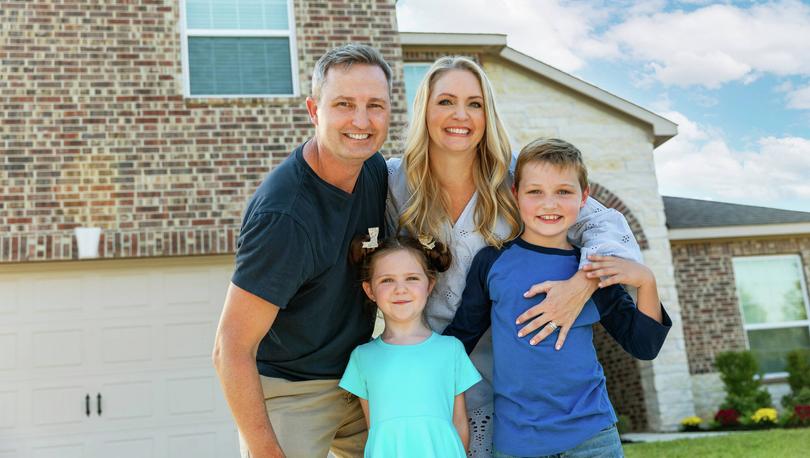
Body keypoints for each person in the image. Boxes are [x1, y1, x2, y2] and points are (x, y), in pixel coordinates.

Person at [386, 56, 644, 455]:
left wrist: (583, 281)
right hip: (441, 376)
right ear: (424, 109)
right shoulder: (396, 182)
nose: (461, 115)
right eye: (446, 101)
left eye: (475, 104)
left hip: (521, 382)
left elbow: (604, 225)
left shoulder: (516, 177)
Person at [212, 44, 393, 458]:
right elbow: (230, 346)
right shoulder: (285, 217)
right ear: (314, 110)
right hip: (292, 387)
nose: (361, 121)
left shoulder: (375, 170)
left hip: (357, 375)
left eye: (375, 106)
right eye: (344, 104)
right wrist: (264, 450)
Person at [444, 138, 672, 457]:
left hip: (592, 436)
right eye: (535, 191)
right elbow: (461, 338)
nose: (549, 204)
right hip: (518, 441)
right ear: (516, 195)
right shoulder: (491, 262)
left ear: (584, 198)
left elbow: (644, 345)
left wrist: (646, 281)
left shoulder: (593, 269)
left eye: (563, 191)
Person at [339, 233, 481, 457]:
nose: (400, 289)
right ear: (369, 290)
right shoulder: (362, 357)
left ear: (430, 284)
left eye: (412, 278)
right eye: (387, 280)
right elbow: (373, 430)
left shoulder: (450, 349)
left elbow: (460, 423)